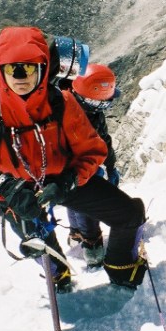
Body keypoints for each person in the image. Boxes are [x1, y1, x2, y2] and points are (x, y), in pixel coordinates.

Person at [0, 26, 147, 292]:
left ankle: (121, 270)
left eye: (28, 69)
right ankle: (60, 279)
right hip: (18, 191)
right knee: (41, 247)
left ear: (43, 69)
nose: (20, 77)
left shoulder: (62, 103)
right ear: (0, 70)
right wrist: (3, 185)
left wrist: (68, 181)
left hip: (62, 179)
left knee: (130, 214)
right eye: (12, 69)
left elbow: (93, 151)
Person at [62, 63, 122, 267]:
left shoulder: (91, 109)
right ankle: (91, 244)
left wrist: (111, 166)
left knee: (77, 200)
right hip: (69, 167)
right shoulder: (63, 111)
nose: (102, 108)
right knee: (87, 199)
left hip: (78, 166)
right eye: (99, 104)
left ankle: (77, 234)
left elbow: (104, 139)